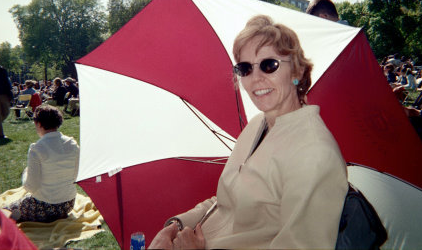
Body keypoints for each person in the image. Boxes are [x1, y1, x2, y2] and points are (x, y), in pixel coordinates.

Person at [149, 15, 348, 249]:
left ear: (297, 71)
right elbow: (223, 203)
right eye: (245, 68)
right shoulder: (257, 125)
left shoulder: (314, 153)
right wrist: (175, 227)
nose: (256, 79)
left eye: (269, 65)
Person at [3, 105, 80, 223]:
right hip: (68, 203)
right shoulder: (73, 144)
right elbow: (76, 177)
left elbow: (31, 186)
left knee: (4, 211)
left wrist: (25, 174)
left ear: (38, 124)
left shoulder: (37, 148)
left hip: (45, 206)